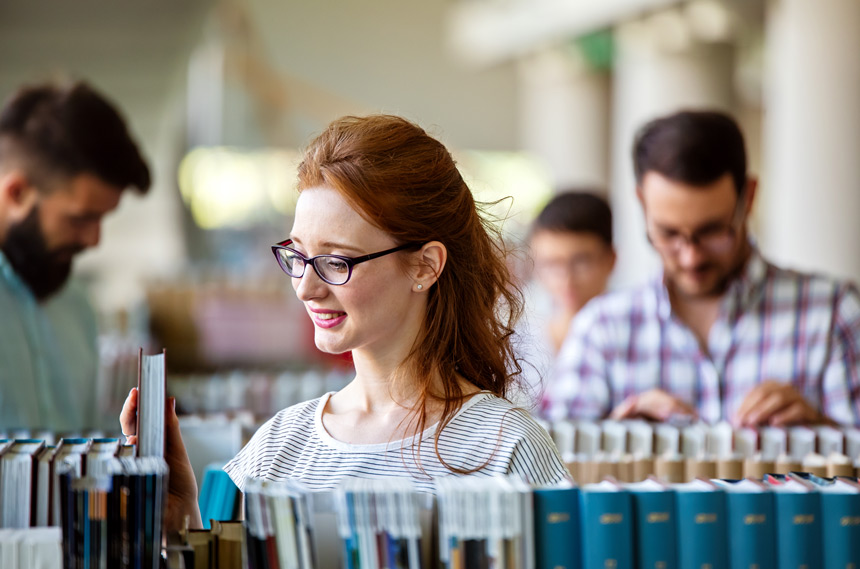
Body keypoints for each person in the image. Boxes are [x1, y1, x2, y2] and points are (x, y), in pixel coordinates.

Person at [121, 114, 569, 530]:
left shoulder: (505, 446)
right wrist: (181, 523)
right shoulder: (278, 446)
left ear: (425, 267)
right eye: (298, 256)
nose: (305, 288)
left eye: (336, 261)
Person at [544, 110, 860, 427]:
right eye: (669, 234)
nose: (691, 257)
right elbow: (553, 467)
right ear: (642, 203)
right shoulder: (601, 329)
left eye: (711, 231)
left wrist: (822, 432)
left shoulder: (834, 314)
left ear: (748, 198)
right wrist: (614, 439)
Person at [0, 81, 151, 432]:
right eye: (81, 217)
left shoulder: (76, 304)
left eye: (102, 218)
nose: (94, 239)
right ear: (18, 193)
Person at [518, 191, 615, 405]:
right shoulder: (519, 344)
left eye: (581, 262)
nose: (566, 278)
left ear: (611, 259)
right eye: (552, 264)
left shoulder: (636, 342)